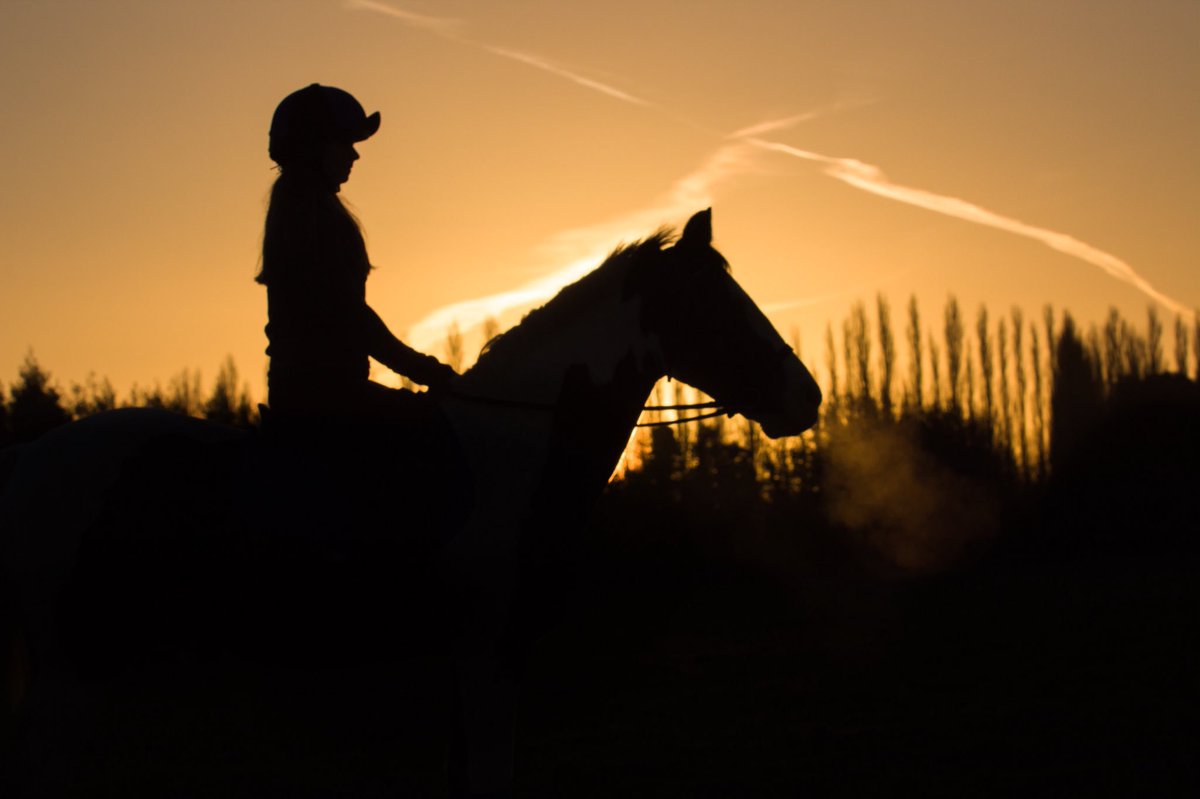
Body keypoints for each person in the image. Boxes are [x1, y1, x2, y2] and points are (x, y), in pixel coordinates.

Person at [257, 83, 457, 419]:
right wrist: (427, 370)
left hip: (313, 394)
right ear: (314, 148)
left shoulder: (302, 215)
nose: (354, 154)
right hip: (327, 401)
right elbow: (351, 317)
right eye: (344, 143)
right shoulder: (313, 222)